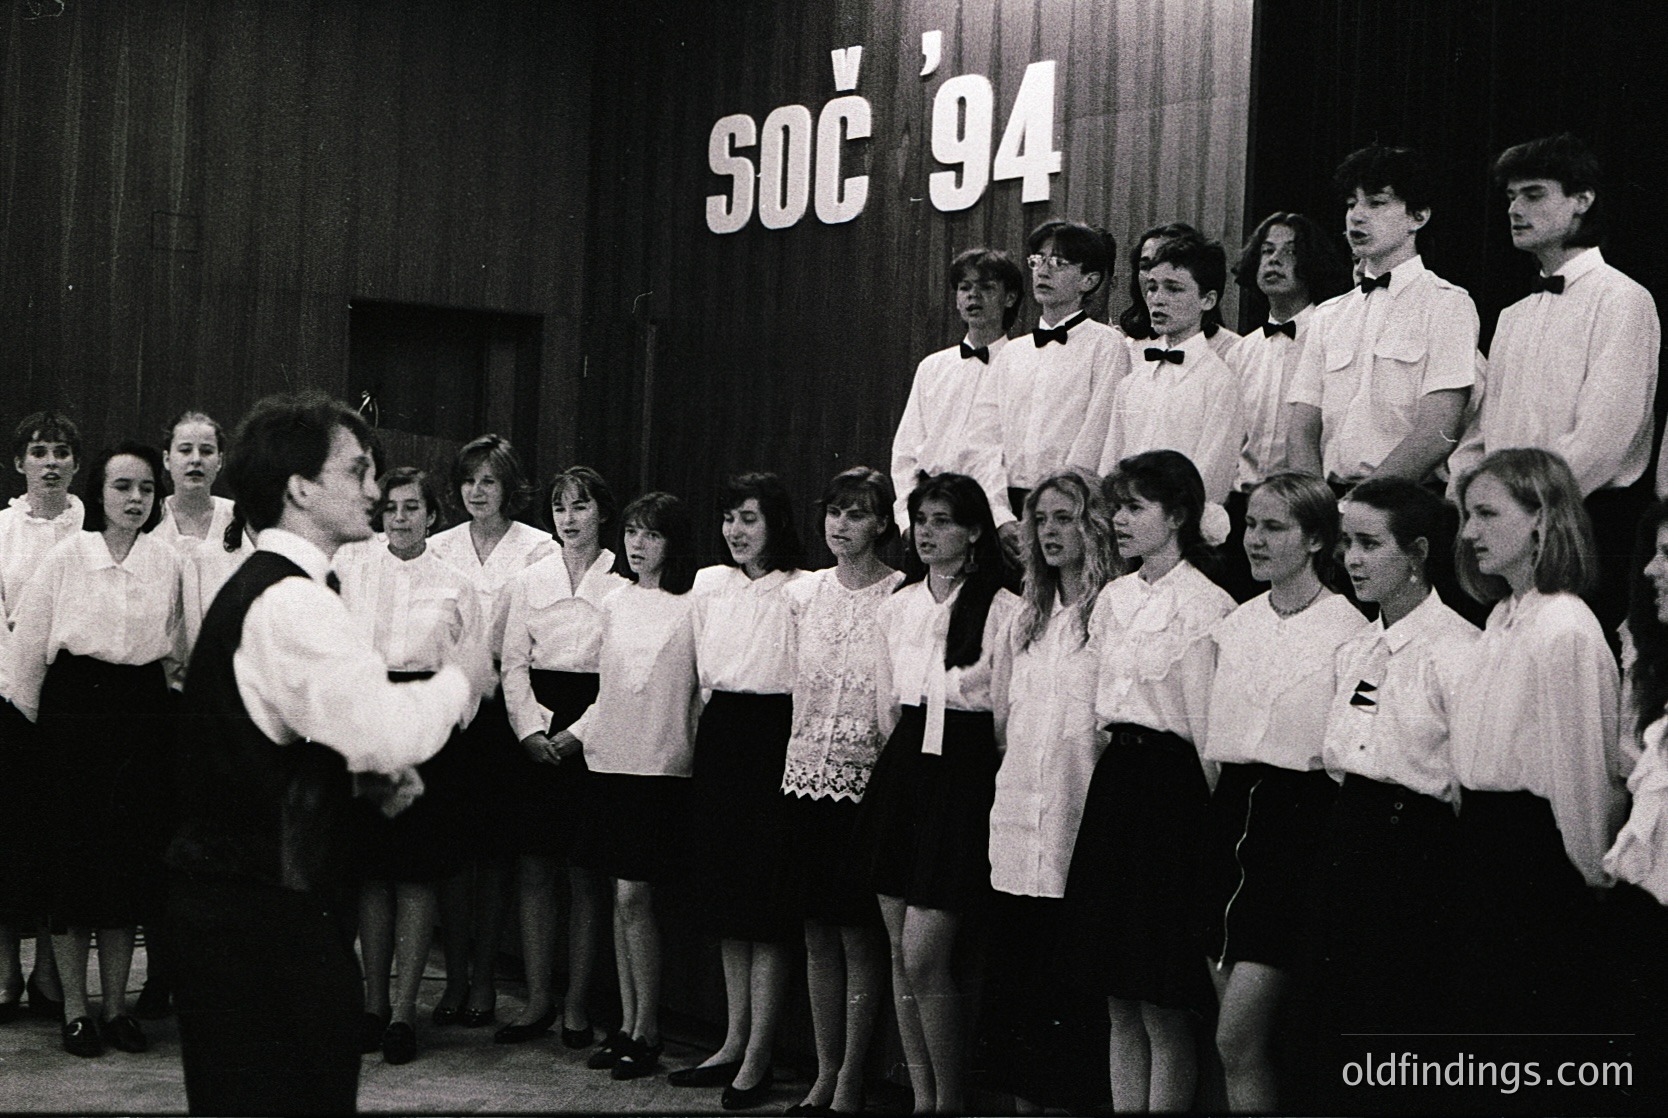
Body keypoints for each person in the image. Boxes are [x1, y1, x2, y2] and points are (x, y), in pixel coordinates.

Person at [166, 392, 491, 1115]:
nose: (376, 489)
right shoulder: (292, 602)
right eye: (357, 470)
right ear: (301, 489)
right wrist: (466, 677)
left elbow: (280, 739)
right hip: (264, 925)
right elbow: (384, 728)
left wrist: (354, 783)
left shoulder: (275, 589)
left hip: (243, 914)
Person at [1062, 450, 1234, 1113]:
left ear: (1179, 515)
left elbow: (1208, 731)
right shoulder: (1112, 598)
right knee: (1118, 997)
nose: (1120, 520)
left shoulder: (1206, 604)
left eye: (1136, 507)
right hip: (1118, 787)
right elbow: (1096, 708)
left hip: (1173, 796)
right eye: (1117, 507)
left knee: (1163, 1000)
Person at [1200, 472, 1369, 1111]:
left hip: (1297, 832)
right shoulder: (1233, 626)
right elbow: (1216, 744)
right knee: (1234, 1047)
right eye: (1251, 525)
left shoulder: (1350, 631)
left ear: (1317, 539)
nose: (1255, 540)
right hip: (1229, 824)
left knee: (1240, 1036)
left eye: (1275, 527)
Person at [9, 442, 183, 1058]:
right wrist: (44, 736)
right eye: (121, 488)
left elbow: (176, 647)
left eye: (144, 489)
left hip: (139, 718)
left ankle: (116, 1010)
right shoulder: (66, 557)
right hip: (73, 718)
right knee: (73, 866)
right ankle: (75, 1011)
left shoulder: (166, 561)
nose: (134, 500)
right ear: (100, 495)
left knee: (126, 867)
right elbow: (26, 652)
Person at [1450, 134, 1661, 642]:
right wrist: (1470, 498)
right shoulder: (1512, 316)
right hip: (1505, 528)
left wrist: (1523, 511)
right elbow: (1482, 432)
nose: (1516, 209)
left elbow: (1602, 440)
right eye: (1511, 198)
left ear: (1582, 201)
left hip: (1582, 525)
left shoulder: (1624, 300)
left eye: (1534, 194)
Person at [854, 471, 1018, 1115]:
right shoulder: (896, 606)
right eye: (921, 520)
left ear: (975, 529)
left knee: (927, 957)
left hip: (966, 778)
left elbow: (1005, 718)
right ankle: (923, 1097)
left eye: (943, 520)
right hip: (905, 774)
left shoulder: (1002, 609)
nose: (928, 532)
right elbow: (887, 708)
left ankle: (950, 1100)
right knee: (899, 950)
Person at [1310, 478, 1476, 1108]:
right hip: (1349, 834)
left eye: (1370, 544)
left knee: (1397, 1033)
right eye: (1347, 543)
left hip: (1416, 855)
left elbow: (1461, 778)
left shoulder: (1457, 650)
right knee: (1336, 1033)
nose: (1351, 559)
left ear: (1417, 552)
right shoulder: (1354, 648)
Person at [1448, 447, 1625, 1035]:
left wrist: (1590, 876)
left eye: (1488, 514)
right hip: (1482, 841)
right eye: (1467, 515)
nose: (1470, 531)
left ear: (1541, 520)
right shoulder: (1502, 618)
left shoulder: (1566, 627)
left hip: (1535, 859)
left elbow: (1582, 773)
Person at [982, 469, 1119, 1114]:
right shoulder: (1027, 617)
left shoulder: (1112, 613)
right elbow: (1008, 729)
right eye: (1041, 520)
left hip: (1079, 826)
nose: (1050, 532)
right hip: (1018, 830)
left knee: (1072, 1007)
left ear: (1093, 524)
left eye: (1065, 518)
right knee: (1019, 998)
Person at [339, 466, 483, 1066]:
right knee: (373, 870)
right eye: (391, 508)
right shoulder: (352, 569)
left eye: (412, 508)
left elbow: (472, 671)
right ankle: (371, 1006)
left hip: (426, 728)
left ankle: (403, 1013)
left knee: (416, 873)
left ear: (432, 515)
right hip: (371, 722)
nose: (400, 518)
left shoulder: (455, 582)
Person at [671, 472, 805, 1109]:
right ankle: (732, 1039)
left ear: (775, 524)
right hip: (723, 733)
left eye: (748, 519)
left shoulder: (803, 590)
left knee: (766, 901)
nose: (735, 531)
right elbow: (700, 671)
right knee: (728, 896)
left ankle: (760, 1053)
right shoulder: (707, 583)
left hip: (776, 737)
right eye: (728, 518)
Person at [556, 492, 700, 1081]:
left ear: (674, 542)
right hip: (608, 761)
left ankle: (649, 1029)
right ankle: (628, 1023)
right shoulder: (615, 601)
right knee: (619, 902)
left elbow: (701, 693)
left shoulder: (694, 604)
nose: (638, 545)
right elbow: (607, 692)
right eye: (634, 533)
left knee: (635, 900)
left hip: (660, 766)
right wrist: (573, 735)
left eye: (652, 535)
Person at [780, 467, 902, 1115]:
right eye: (834, 511)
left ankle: (855, 1076)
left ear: (882, 522)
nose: (841, 524)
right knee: (816, 935)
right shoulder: (803, 594)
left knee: (858, 937)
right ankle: (825, 1071)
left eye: (857, 514)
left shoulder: (899, 595)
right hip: (804, 779)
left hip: (866, 790)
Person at [425, 434, 553, 1028]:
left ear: (510, 488)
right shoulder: (437, 547)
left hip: (506, 713)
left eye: (490, 481)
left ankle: (483, 981)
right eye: (470, 480)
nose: (478, 491)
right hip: (450, 712)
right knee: (451, 852)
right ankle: (452, 978)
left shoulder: (537, 549)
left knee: (497, 854)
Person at [497, 467, 628, 1048]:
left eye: (579, 507)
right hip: (536, 726)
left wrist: (580, 734)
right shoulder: (532, 577)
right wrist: (529, 729)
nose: (569, 519)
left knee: (583, 873)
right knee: (534, 867)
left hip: (594, 724)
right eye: (559, 508)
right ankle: (537, 1000)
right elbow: (512, 662)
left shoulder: (621, 579)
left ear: (601, 511)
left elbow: (622, 675)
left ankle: (577, 1004)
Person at [1288, 144, 1478, 491]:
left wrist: (1364, 504)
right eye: (1351, 204)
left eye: (1376, 203)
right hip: (1328, 499)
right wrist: (1317, 507)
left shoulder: (1448, 305)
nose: (1356, 216)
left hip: (1404, 501)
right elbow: (1302, 427)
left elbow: (1439, 429)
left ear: (1418, 217)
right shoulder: (1328, 315)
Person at [1218, 214, 1351, 602]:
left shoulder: (1331, 337)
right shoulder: (1242, 350)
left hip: (1304, 512)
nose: (1274, 261)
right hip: (1247, 509)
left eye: (1290, 252)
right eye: (1267, 251)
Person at [0, 410, 81, 1023]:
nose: (50, 462)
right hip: (5, 699)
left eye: (60, 451)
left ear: (76, 464)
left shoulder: (92, 525)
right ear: (20, 462)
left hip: (70, 704)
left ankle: (51, 972)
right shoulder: (1, 528)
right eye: (38, 451)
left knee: (62, 836)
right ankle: (5, 970)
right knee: (7, 836)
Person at [991, 220, 1128, 536]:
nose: (1043, 271)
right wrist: (1000, 516)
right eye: (1038, 260)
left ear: (1089, 280)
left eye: (1059, 263)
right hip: (1008, 508)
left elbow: (1098, 431)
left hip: (1073, 505)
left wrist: (1061, 506)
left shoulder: (1107, 345)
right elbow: (989, 436)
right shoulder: (1013, 352)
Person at [1101, 232, 1243, 504]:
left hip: (1183, 530)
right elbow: (1111, 464)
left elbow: (1212, 478)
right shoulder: (1132, 383)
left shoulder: (1220, 383)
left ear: (1207, 300)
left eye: (1173, 288)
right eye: (1153, 287)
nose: (1157, 299)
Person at [891, 248, 1022, 538]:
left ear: (1009, 298)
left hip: (993, 515)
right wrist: (906, 520)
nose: (973, 296)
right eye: (965, 288)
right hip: (931, 511)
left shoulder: (1021, 365)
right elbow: (905, 451)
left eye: (987, 287)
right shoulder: (932, 366)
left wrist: (1000, 519)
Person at [1118, 222, 1241, 360]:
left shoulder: (1234, 350)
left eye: (1173, 288)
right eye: (1146, 266)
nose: (1155, 274)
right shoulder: (1128, 347)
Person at [154, 412, 237, 554]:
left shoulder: (238, 517)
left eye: (206, 451)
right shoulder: (149, 516)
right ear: (167, 459)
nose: (196, 459)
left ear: (219, 461)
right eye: (185, 450)